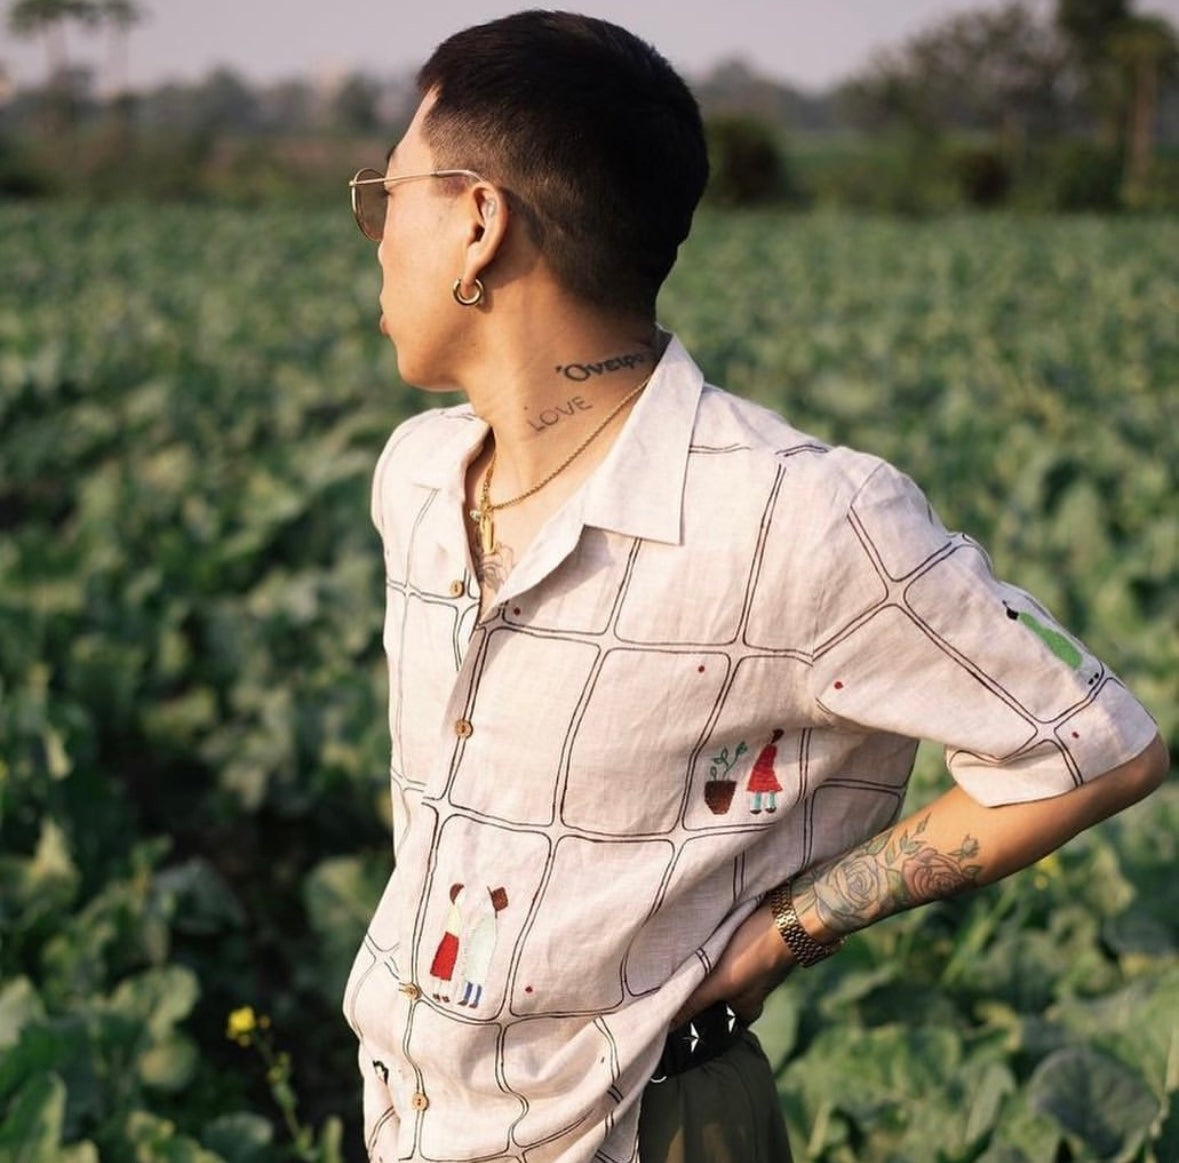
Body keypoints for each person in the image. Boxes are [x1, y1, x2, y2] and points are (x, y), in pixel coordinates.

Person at [341, 12, 1169, 1163]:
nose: (375, 236)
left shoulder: (795, 513)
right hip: (417, 1117)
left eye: (390, 196)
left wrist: (787, 931)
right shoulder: (418, 479)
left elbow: (1095, 743)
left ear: (480, 221)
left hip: (644, 1127)